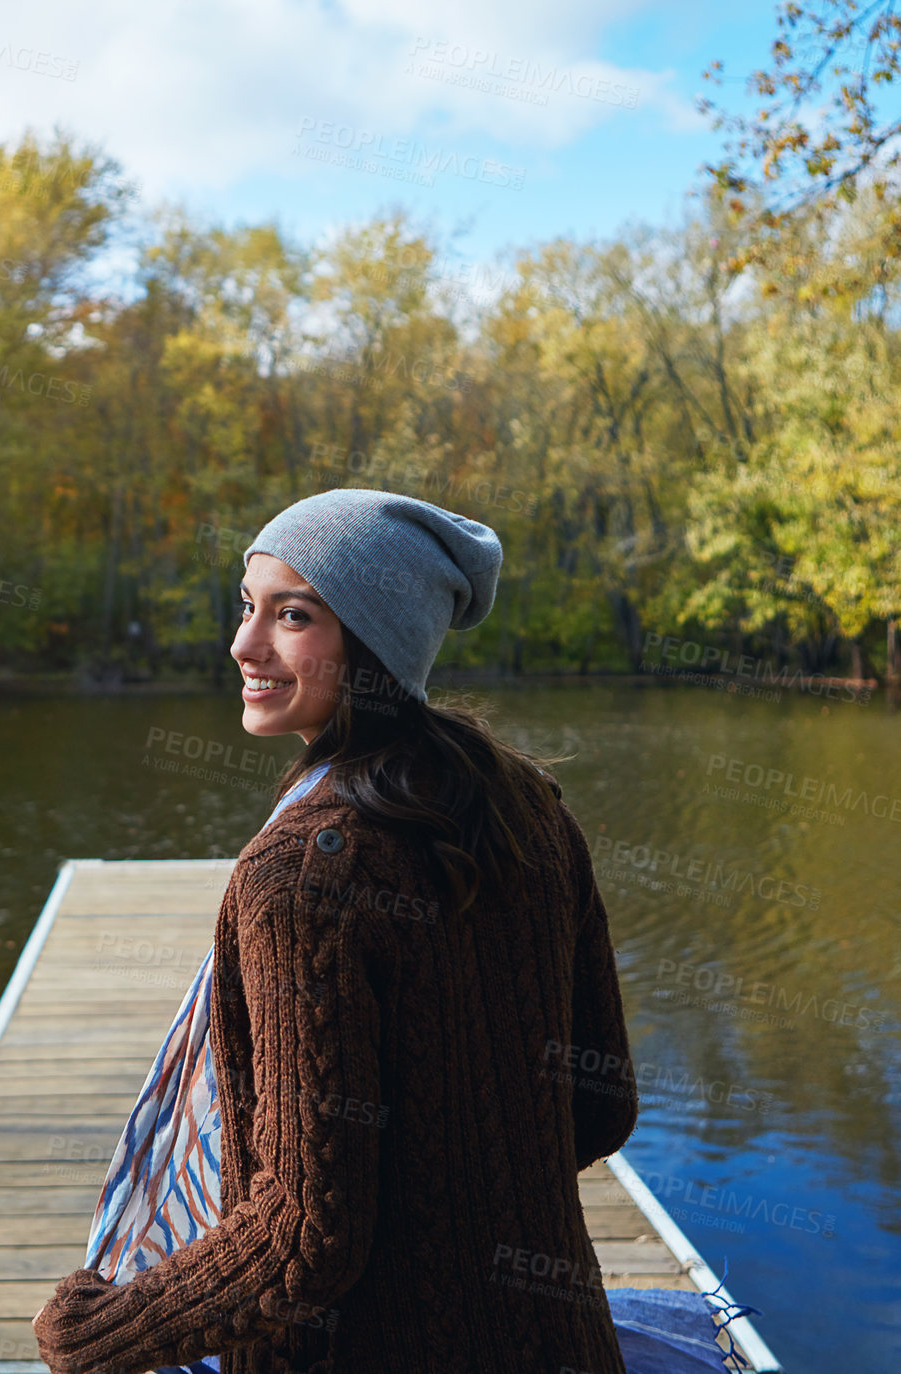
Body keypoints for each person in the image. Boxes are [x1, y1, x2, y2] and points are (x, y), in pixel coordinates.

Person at [32, 489, 640, 1373]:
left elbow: (304, 1238)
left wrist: (97, 1332)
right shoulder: (529, 807)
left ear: (377, 641)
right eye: (249, 607)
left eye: (292, 615)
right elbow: (601, 1102)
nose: (244, 644)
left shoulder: (302, 878)